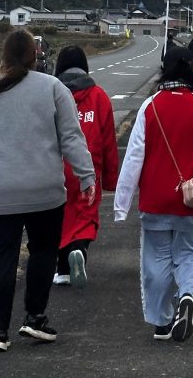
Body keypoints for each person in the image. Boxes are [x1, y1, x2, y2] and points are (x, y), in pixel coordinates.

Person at [0, 28, 96, 353]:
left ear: (4, 56)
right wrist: (86, 175)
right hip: (43, 190)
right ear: (35, 56)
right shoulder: (53, 87)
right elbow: (71, 137)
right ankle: (34, 318)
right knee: (42, 252)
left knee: (0, 258)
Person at [114, 49, 193, 343]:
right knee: (190, 253)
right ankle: (187, 295)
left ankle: (161, 322)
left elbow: (134, 157)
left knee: (156, 261)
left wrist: (121, 204)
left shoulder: (150, 106)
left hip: (155, 199)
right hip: (192, 199)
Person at [53, 45, 119, 287]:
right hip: (89, 169)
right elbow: (109, 141)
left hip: (55, 168)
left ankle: (62, 270)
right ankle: (79, 249)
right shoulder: (99, 96)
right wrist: (111, 179)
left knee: (60, 216)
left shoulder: (52, 94)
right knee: (85, 215)